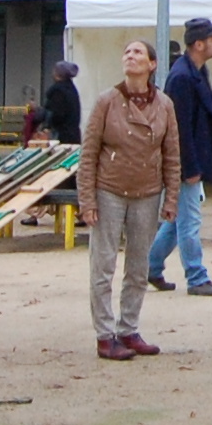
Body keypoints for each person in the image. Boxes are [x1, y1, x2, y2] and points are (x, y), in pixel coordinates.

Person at [78, 38, 180, 360]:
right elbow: (89, 152)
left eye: (138, 52)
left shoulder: (164, 105)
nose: (131, 56)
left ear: (152, 64)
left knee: (138, 268)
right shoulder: (107, 101)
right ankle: (105, 336)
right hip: (109, 191)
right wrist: (87, 200)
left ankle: (129, 330)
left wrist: (171, 198)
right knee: (103, 266)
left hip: (147, 194)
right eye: (127, 52)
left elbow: (172, 154)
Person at [149, 18, 212, 297]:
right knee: (189, 221)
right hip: (185, 162)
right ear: (198, 44)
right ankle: (196, 276)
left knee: (176, 220)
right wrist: (189, 167)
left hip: (192, 158)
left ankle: (151, 266)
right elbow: (178, 128)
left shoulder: (195, 71)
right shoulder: (183, 77)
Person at [42, 58, 84, 150]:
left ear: (58, 74)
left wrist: (47, 125)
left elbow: (57, 114)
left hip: (62, 138)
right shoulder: (72, 89)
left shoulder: (58, 91)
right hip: (74, 135)